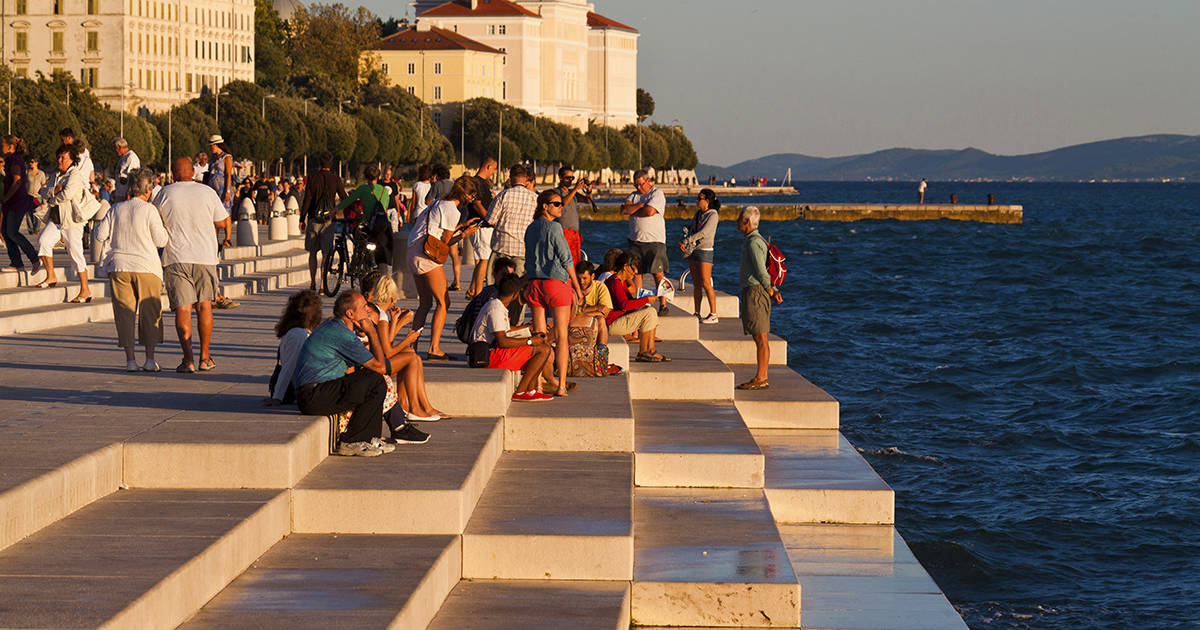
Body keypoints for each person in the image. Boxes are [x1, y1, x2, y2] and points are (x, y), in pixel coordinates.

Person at [294, 291, 413, 457]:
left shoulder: (336, 327)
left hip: (315, 393)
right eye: (364, 307)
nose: (368, 311)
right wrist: (372, 332)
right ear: (350, 314)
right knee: (376, 380)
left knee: (373, 380)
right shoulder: (341, 334)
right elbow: (380, 367)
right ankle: (352, 441)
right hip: (314, 396)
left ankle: (369, 438)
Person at [153, 157, 230, 373]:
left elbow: (153, 218)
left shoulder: (165, 193)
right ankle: (205, 357)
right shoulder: (207, 192)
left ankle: (188, 360)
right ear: (193, 173)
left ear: (173, 172)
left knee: (183, 308)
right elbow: (221, 221)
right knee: (205, 305)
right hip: (205, 256)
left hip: (176, 256)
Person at [93, 167, 169, 372]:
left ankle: (130, 360)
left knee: (124, 314)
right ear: (148, 188)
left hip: (120, 266)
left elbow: (100, 235)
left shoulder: (116, 208)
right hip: (146, 267)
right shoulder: (149, 210)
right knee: (149, 314)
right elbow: (161, 240)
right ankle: (150, 360)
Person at [407, 176, 480, 361]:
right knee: (443, 303)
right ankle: (434, 348)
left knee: (425, 303)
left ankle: (411, 346)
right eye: (472, 195)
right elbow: (446, 242)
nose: (472, 199)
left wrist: (461, 226)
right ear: (465, 194)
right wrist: (464, 233)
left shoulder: (439, 202)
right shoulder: (452, 209)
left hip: (413, 251)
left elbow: (438, 229)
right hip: (426, 257)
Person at [361, 272, 444, 424]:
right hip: (371, 367)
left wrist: (397, 322)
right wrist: (408, 339)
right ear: (392, 298)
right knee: (411, 357)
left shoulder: (376, 311)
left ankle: (414, 405)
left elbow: (385, 341)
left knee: (410, 353)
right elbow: (388, 351)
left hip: (369, 361)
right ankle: (415, 408)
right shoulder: (380, 315)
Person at [524, 189, 582, 396]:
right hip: (555, 282)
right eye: (556, 204)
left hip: (535, 283)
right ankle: (561, 385)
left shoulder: (530, 228)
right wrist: (577, 286)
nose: (561, 207)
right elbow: (566, 258)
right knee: (562, 335)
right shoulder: (555, 228)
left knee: (539, 337)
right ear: (545, 206)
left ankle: (538, 383)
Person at [470, 275, 555, 402]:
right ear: (515, 294)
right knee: (542, 350)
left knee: (543, 346)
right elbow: (503, 341)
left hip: (490, 352)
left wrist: (529, 331)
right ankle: (520, 392)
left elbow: (507, 330)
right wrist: (530, 341)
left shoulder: (497, 305)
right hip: (487, 356)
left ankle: (531, 390)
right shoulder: (496, 309)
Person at [37, 143, 94, 301]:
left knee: (76, 254)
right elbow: (42, 191)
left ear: (72, 160)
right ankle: (51, 276)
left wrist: (52, 198)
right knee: (43, 241)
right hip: (56, 219)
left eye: (63, 157)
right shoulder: (56, 175)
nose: (59, 160)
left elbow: (67, 194)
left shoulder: (75, 174)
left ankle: (85, 290)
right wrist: (53, 191)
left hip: (71, 221)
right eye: (59, 157)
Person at [736, 206, 783, 390]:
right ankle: (761, 376)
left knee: (761, 337)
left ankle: (761, 377)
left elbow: (761, 272)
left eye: (740, 218)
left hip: (756, 291)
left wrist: (772, 290)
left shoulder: (753, 242)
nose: (737, 221)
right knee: (759, 336)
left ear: (747, 222)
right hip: (754, 290)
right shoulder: (753, 240)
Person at [620, 169, 669, 315]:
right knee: (637, 274)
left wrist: (635, 210)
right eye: (636, 185)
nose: (638, 188)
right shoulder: (633, 196)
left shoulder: (657, 194)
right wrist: (640, 206)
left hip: (655, 241)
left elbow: (650, 212)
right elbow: (624, 210)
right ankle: (639, 303)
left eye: (641, 184)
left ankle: (663, 304)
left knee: (658, 273)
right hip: (635, 241)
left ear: (648, 181)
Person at [605, 252, 669, 362]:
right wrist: (645, 300)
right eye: (633, 269)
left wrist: (644, 301)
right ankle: (643, 352)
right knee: (649, 313)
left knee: (650, 311)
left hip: (618, 320)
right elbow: (624, 305)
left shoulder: (621, 282)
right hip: (612, 324)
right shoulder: (615, 282)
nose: (635, 272)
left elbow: (628, 303)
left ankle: (651, 350)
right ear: (625, 267)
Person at [299, 151, 346, 292]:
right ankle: (322, 285)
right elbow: (344, 196)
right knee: (326, 253)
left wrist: (302, 218)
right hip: (328, 221)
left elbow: (307, 199)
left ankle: (313, 282)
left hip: (314, 219)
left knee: (312, 253)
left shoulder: (313, 178)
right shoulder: (335, 179)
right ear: (331, 165)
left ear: (319, 164)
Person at [267, 289, 322, 405]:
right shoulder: (298, 335)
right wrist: (278, 397)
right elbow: (289, 367)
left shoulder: (300, 332)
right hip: (303, 390)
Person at [486, 164, 538, 283]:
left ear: (510, 179)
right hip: (522, 248)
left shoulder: (503, 195)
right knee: (518, 284)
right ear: (525, 179)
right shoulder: (534, 198)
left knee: (496, 283)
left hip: (502, 246)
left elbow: (490, 220)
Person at [338, 165, 392, 274]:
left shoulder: (363, 189)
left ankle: (357, 264)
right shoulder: (384, 191)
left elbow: (347, 202)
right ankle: (384, 284)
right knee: (383, 261)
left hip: (371, 227)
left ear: (366, 177)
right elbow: (384, 209)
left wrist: (332, 211)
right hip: (385, 227)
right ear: (378, 176)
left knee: (360, 243)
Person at [680, 188, 721, 323]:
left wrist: (688, 240)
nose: (697, 200)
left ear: (707, 201)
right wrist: (684, 241)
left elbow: (705, 232)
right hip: (694, 251)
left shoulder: (713, 215)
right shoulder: (698, 214)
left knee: (706, 282)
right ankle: (697, 312)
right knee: (696, 284)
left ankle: (713, 313)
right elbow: (692, 229)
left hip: (705, 251)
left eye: (700, 198)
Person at [1, 135, 40, 273]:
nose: (1, 147)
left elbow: (17, 181)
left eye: (3, 144)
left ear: (10, 147)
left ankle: (34, 258)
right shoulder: (11, 159)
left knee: (12, 232)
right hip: (11, 203)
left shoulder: (15, 160)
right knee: (5, 232)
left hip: (17, 202)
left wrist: (6, 197)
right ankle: (16, 262)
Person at [465, 157, 498, 299]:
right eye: (494, 169)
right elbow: (477, 204)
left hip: (484, 227)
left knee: (482, 260)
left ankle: (473, 290)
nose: (494, 172)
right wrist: (490, 219)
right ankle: (478, 295)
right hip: (481, 226)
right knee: (483, 260)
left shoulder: (482, 183)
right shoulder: (477, 183)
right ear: (488, 167)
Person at [553, 166, 589, 264]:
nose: (570, 180)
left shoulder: (573, 193)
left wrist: (588, 191)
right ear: (560, 178)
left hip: (575, 234)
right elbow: (562, 203)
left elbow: (588, 201)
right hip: (563, 232)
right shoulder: (556, 192)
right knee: (564, 260)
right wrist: (575, 189)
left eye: (572, 178)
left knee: (575, 261)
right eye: (567, 178)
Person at [205, 135, 235, 214]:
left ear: (216, 145)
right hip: (212, 189)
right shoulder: (213, 158)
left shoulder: (227, 157)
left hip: (223, 189)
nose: (210, 148)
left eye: (211, 146)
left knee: (225, 213)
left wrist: (227, 191)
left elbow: (228, 174)